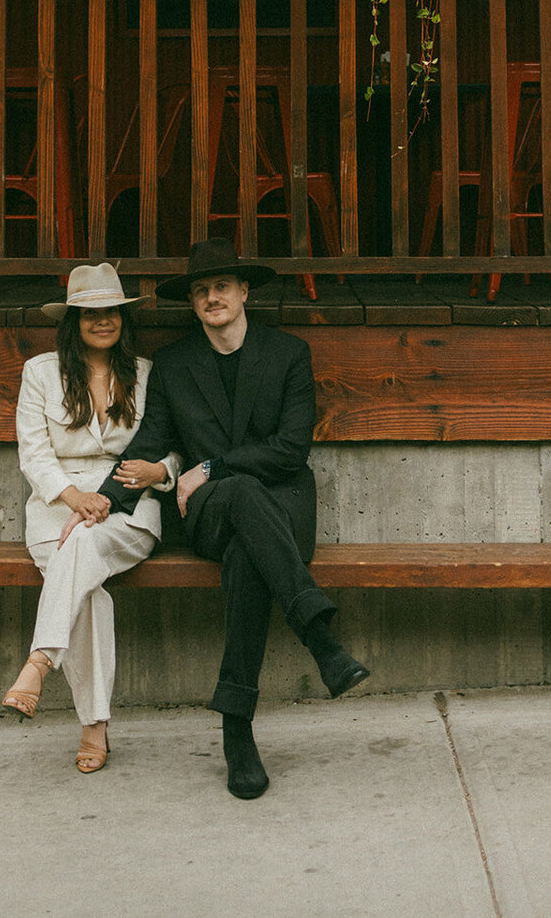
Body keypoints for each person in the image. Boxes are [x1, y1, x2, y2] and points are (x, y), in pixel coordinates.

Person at [99, 237, 370, 799]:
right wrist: (106, 500)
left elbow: (291, 449)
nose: (211, 297)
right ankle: (320, 638)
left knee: (251, 543)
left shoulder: (288, 354)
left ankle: (237, 729)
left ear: (244, 292)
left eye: (221, 286)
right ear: (194, 304)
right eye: (200, 290)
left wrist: (211, 465)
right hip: (212, 517)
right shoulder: (175, 365)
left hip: (283, 513)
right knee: (242, 496)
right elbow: (150, 442)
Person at [1, 263, 181, 773]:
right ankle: (93, 726)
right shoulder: (40, 372)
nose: (103, 322)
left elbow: (174, 448)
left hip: (128, 509)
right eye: (90, 314)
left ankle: (38, 663)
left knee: (77, 549)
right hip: (56, 509)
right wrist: (74, 496)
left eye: (112, 313)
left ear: (123, 319)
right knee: (87, 584)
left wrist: (159, 473)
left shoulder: (146, 374)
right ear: (73, 321)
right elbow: (34, 455)